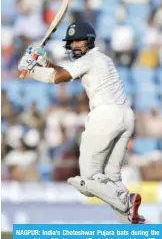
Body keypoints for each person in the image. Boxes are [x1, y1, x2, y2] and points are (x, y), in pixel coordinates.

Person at [18, 21, 145, 224]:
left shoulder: (90, 58)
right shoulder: (100, 59)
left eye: (79, 41)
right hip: (126, 117)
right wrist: (44, 63)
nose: (75, 45)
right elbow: (66, 72)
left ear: (90, 41)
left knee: (88, 181)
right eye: (72, 42)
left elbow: (58, 78)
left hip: (105, 117)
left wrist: (31, 69)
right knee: (111, 180)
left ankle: (127, 202)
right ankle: (133, 223)